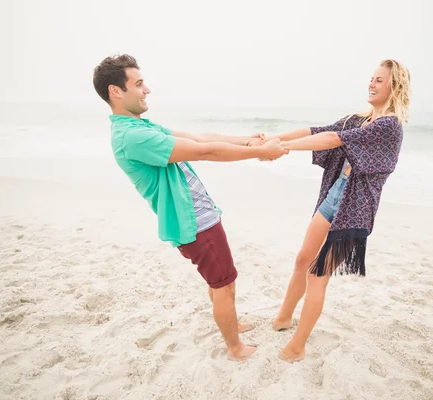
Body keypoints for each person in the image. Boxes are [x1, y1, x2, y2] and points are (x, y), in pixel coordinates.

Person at [92, 54, 288, 361]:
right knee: (224, 284)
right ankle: (235, 348)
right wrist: (262, 152)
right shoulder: (132, 137)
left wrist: (248, 140)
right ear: (116, 91)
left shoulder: (137, 126)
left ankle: (232, 323)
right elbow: (204, 151)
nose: (147, 90)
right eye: (139, 84)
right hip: (194, 222)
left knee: (221, 280)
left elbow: (198, 136)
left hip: (199, 215)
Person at [264, 59, 411, 362]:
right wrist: (275, 138)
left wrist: (284, 149)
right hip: (334, 198)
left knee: (318, 275)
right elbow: (321, 129)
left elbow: (333, 140)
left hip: (356, 210)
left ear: (394, 86)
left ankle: (298, 345)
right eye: (371, 78)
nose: (371, 84)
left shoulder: (388, 126)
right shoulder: (360, 119)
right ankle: (283, 317)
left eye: (379, 80)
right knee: (303, 259)